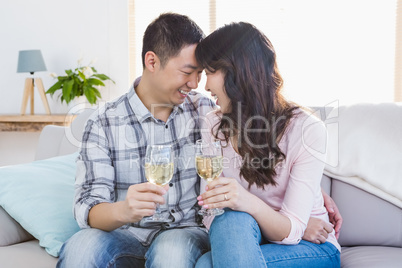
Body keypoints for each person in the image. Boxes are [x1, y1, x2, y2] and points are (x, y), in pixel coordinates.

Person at [58, 13, 341, 267]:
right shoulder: (105, 122)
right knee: (81, 247)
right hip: (126, 233)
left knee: (179, 251)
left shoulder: (206, 110)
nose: (196, 84)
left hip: (184, 234)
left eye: (202, 73)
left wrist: (307, 200)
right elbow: (87, 206)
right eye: (187, 72)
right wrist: (122, 210)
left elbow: (268, 151)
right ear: (152, 61)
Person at [194, 22, 341, 267]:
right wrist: (268, 223)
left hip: (311, 246)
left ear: (237, 71)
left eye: (210, 72)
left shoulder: (307, 130)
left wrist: (244, 201)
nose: (205, 86)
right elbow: (211, 212)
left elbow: (293, 231)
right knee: (229, 220)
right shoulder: (213, 124)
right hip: (244, 237)